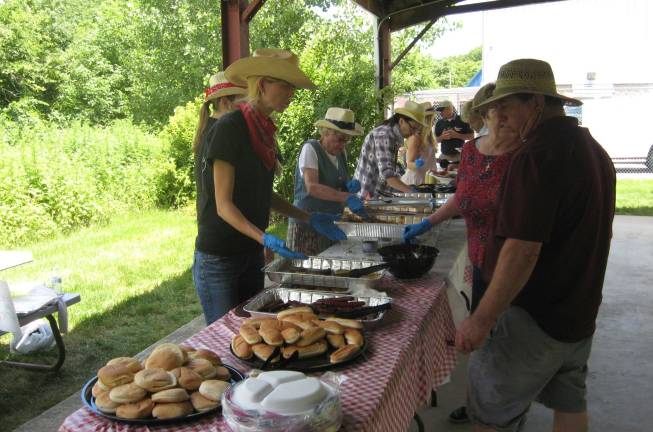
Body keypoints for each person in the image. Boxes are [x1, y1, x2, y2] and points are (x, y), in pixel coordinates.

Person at [456, 59, 616, 432]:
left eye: (506, 105)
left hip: (533, 316)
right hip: (577, 312)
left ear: (537, 104)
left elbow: (522, 249)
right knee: (570, 403)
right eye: (494, 106)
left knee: (491, 415)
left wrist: (482, 318)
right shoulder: (594, 150)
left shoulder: (536, 156)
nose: (498, 115)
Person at [192, 48, 346, 325]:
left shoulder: (263, 129)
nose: (291, 93)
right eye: (285, 85)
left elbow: (263, 194)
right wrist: (264, 237)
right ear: (262, 84)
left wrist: (307, 216)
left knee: (259, 328)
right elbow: (223, 205)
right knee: (226, 336)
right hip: (219, 258)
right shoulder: (230, 126)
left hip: (249, 253)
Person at [403, 83, 518, 424]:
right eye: (495, 112)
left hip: (513, 261)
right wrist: (428, 222)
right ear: (484, 114)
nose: (502, 119)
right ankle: (480, 404)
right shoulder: (471, 152)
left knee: (510, 341)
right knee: (485, 341)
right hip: (481, 257)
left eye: (508, 112)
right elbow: (461, 196)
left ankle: (503, 409)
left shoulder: (523, 155)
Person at [287, 107, 367, 255]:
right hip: (307, 225)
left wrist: (348, 188)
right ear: (326, 133)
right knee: (306, 273)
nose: (343, 144)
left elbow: (336, 187)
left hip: (330, 224)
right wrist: (346, 196)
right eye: (340, 139)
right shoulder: (310, 149)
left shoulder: (341, 153)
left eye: (347, 140)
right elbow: (313, 187)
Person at [353, 101, 427, 199]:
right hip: (366, 196)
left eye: (416, 130)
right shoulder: (384, 135)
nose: (413, 133)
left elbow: (388, 175)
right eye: (412, 128)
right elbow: (388, 177)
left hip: (376, 194)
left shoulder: (391, 135)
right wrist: (411, 192)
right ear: (401, 121)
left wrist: (407, 189)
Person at [401, 102, 437, 186]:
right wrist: (417, 164)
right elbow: (409, 164)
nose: (434, 121)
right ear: (426, 120)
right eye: (432, 118)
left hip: (426, 180)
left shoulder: (429, 136)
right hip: (415, 182)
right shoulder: (415, 138)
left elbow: (427, 157)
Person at [434, 100, 474, 164]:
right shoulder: (439, 123)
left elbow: (472, 136)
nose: (440, 113)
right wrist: (442, 137)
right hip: (444, 157)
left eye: (442, 110)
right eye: (439, 111)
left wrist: (457, 135)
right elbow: (435, 140)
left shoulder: (462, 119)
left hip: (459, 156)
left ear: (450, 109)